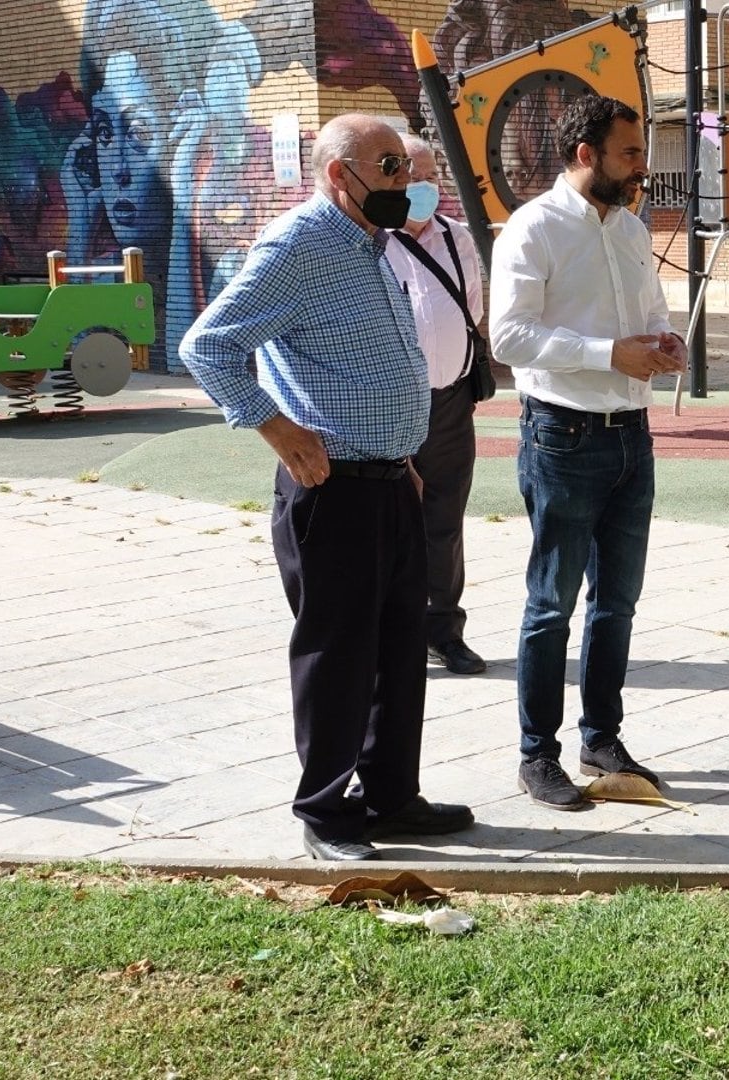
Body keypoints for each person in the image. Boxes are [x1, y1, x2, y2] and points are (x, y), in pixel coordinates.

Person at [179, 114, 474, 861]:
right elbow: (208, 346)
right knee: (339, 656)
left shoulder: (370, 243)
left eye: (404, 168)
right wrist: (274, 427)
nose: (402, 183)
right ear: (339, 174)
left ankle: (391, 796)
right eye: (387, 167)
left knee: (400, 649)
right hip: (331, 489)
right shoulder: (300, 244)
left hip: (389, 481)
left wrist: (403, 450)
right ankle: (324, 810)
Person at [489, 95, 686, 810]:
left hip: (632, 438)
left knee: (617, 605)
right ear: (585, 155)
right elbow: (508, 338)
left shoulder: (630, 228)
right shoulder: (532, 230)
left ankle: (601, 737)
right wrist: (608, 354)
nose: (641, 168)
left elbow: (650, 314)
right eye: (629, 154)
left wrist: (667, 343)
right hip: (563, 437)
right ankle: (536, 755)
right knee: (551, 605)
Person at [385, 133, 489, 676]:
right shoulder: (369, 241)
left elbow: (472, 310)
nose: (425, 188)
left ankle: (443, 631)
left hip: (450, 401)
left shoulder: (458, 238)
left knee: (445, 520)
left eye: (432, 178)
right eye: (412, 177)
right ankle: (391, 635)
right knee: (389, 524)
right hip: (387, 409)